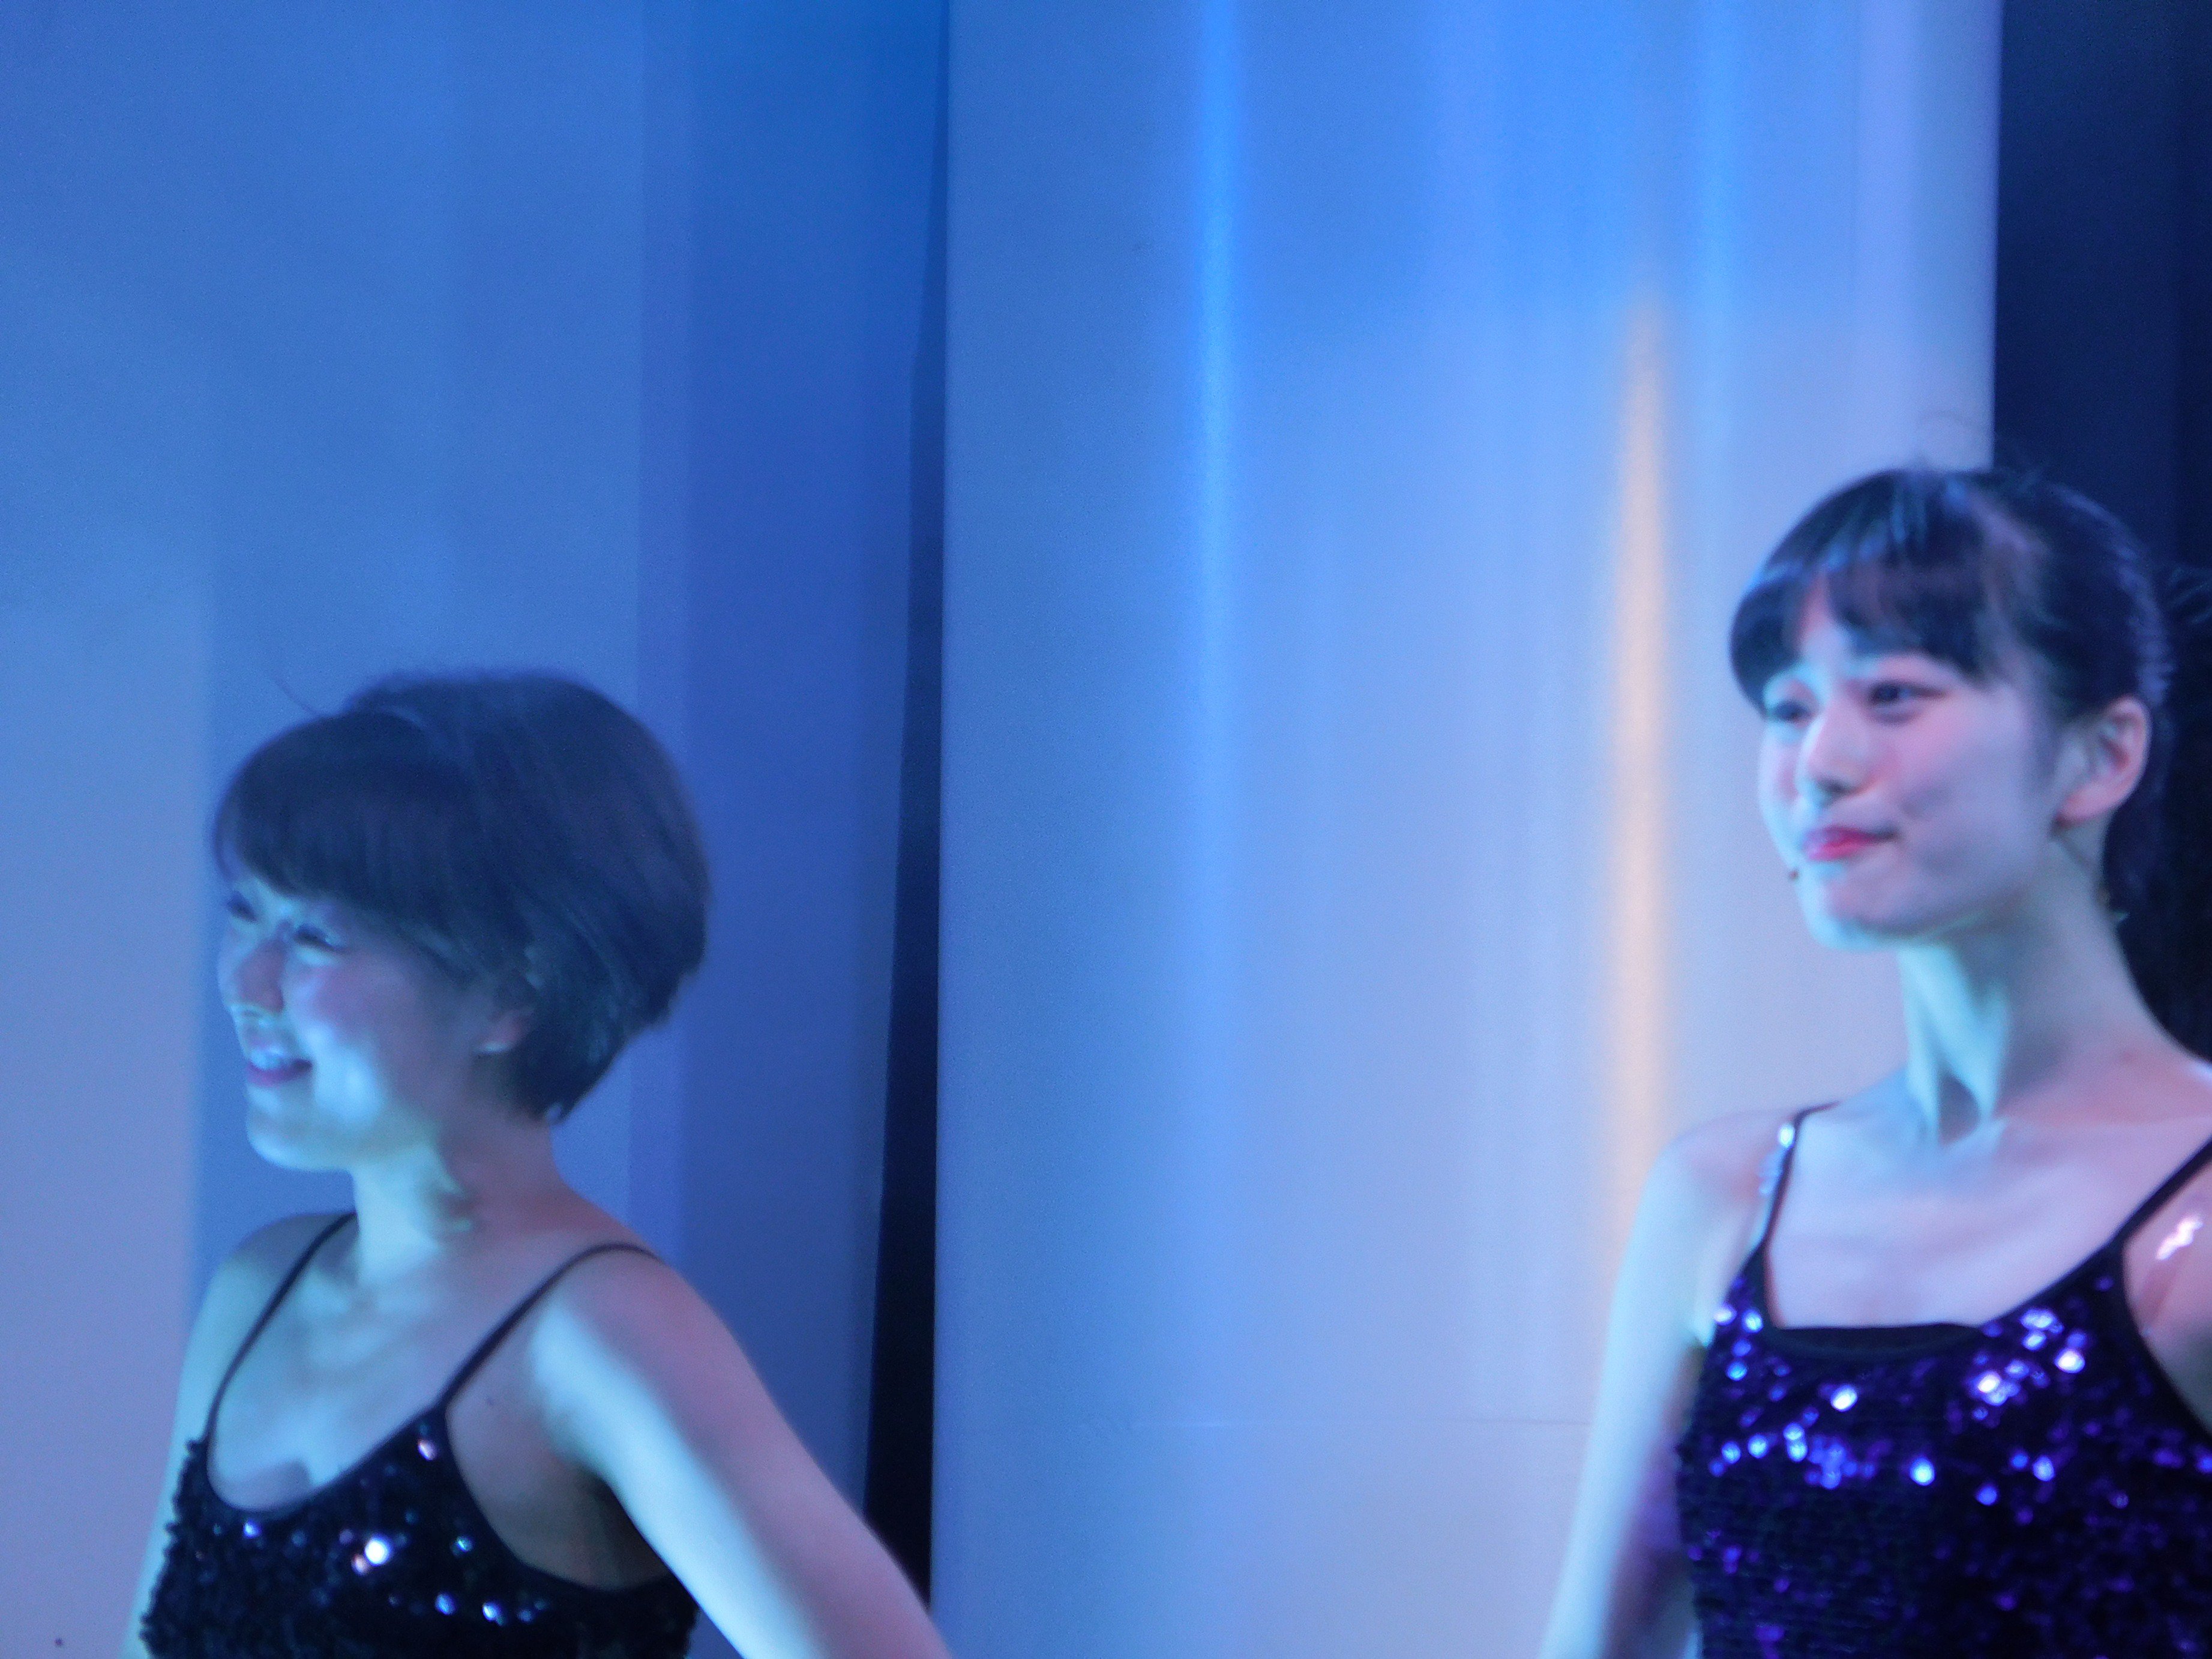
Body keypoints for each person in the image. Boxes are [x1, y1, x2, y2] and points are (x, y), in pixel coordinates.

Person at [125, 673, 951, 1659]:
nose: (246, 981)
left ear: (511, 995)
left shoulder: (604, 1331)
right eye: (246, 912)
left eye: (314, 935)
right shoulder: (259, 1289)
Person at [1540, 468, 2212, 1658]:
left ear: (2100, 753)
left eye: (1892, 693)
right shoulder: (1725, 1194)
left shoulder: (2194, 1218)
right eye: (1787, 706)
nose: (1820, 759)